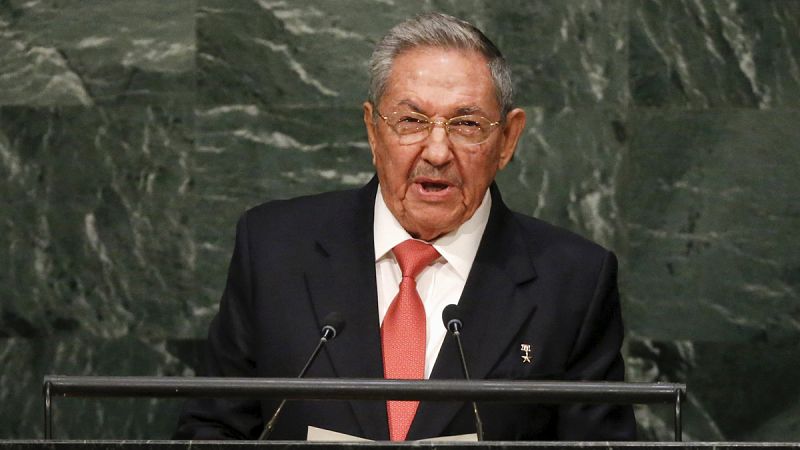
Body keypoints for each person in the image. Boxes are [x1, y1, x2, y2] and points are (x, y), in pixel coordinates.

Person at [175, 12, 636, 441]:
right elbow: (211, 431)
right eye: (412, 120)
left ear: (507, 139)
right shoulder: (275, 248)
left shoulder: (573, 282)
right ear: (373, 131)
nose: (437, 151)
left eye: (467, 123)